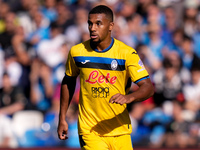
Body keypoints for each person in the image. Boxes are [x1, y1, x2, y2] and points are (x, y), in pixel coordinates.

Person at [57, 5, 154, 150]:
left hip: (120, 130)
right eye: (90, 23)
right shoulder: (77, 52)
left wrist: (129, 97)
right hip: (90, 131)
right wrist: (62, 117)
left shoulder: (126, 53)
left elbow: (148, 87)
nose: (92, 28)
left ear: (110, 26)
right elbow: (68, 81)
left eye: (98, 23)